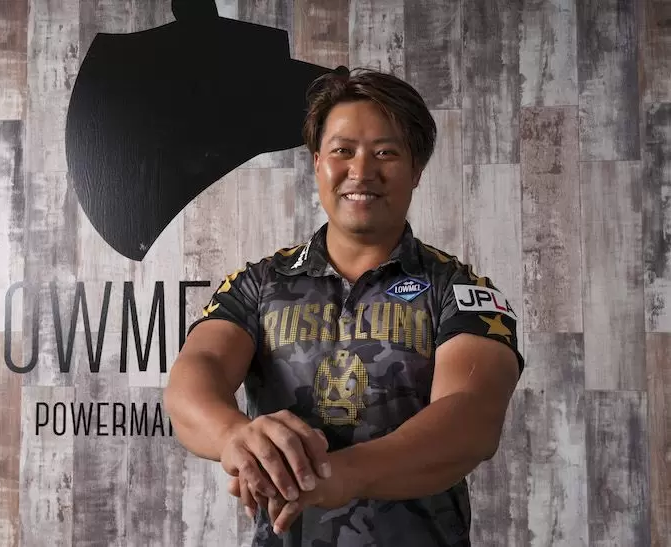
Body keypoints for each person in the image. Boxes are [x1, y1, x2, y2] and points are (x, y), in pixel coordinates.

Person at [164, 68, 525, 546]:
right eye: (342, 151)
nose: (361, 171)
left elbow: (472, 418)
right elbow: (196, 373)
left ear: (416, 170)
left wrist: (343, 474)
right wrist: (233, 435)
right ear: (318, 163)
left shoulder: (460, 292)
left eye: (385, 152)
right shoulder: (258, 284)